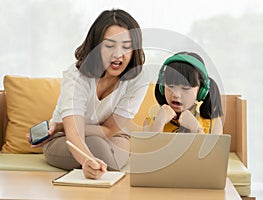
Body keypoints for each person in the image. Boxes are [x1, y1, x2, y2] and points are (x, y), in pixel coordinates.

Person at [28, 9, 147, 179]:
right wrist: (86, 160)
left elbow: (109, 130)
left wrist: (59, 125)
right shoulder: (76, 77)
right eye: (109, 45)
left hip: (110, 135)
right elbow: (74, 133)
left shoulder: (138, 78)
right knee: (98, 149)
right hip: (65, 138)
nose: (118, 54)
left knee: (101, 147)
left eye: (126, 46)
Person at [144, 52, 223, 134]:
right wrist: (158, 124)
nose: (176, 95)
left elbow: (212, 147)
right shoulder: (150, 122)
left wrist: (197, 129)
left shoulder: (213, 124)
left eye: (186, 88)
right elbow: (150, 147)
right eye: (170, 86)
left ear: (201, 91)